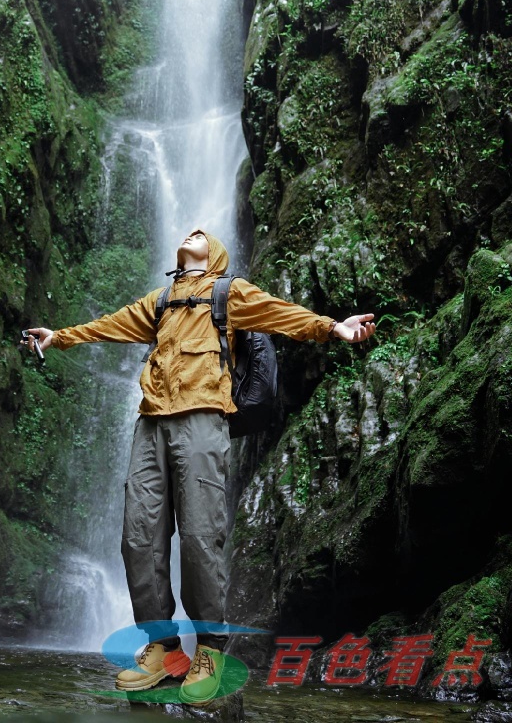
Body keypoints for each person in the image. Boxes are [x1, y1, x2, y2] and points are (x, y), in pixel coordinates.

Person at [24, 228, 375, 704]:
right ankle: (164, 650)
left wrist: (334, 327)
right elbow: (111, 324)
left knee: (197, 536)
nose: (193, 232)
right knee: (138, 536)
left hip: (203, 421)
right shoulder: (161, 299)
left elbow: (281, 315)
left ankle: (211, 649)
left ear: (216, 255)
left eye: (202, 233)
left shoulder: (230, 292)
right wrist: (59, 337)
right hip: (150, 424)